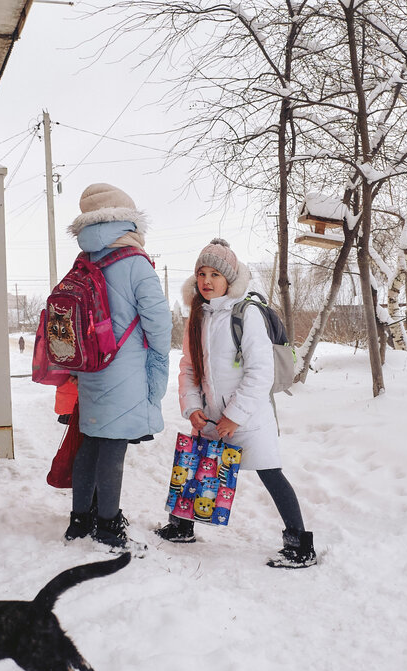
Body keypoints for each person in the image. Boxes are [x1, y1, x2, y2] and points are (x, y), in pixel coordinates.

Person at [155, 238, 315, 568]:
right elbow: (188, 366)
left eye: (215, 274)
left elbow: (260, 372)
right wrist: (193, 407)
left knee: (271, 474)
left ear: (230, 278)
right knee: (196, 467)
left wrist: (235, 416)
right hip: (210, 414)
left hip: (249, 416)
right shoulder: (198, 316)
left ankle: (300, 545)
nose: (207, 281)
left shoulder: (247, 313)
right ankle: (181, 526)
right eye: (201, 274)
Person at [62, 184, 171, 549]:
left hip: (91, 365)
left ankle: (80, 520)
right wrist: (157, 361)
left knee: (91, 441)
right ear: (129, 221)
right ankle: (108, 525)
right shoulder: (135, 263)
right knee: (113, 447)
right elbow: (158, 321)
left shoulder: (86, 260)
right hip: (126, 368)